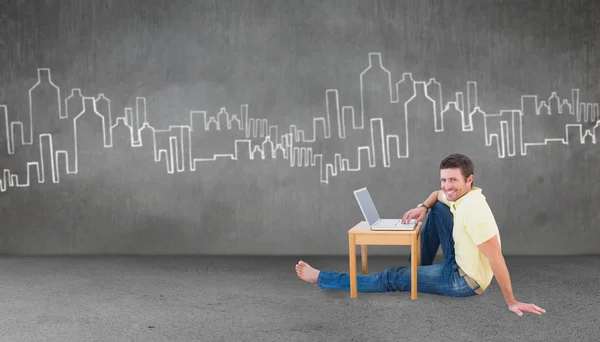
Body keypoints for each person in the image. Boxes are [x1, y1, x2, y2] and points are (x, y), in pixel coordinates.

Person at [295, 153, 545, 316]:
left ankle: (323, 278)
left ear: (469, 179)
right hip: (459, 259)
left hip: (463, 280)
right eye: (444, 179)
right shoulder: (464, 196)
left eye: (453, 181)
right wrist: (422, 208)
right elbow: (437, 196)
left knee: (392, 277)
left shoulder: (474, 211)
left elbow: (496, 258)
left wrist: (511, 301)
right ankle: (417, 268)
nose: (447, 186)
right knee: (436, 207)